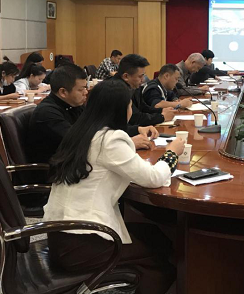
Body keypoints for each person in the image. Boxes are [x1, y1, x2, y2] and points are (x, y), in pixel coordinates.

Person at [44, 79, 184, 294]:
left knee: (156, 235)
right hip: (82, 242)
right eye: (130, 106)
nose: (131, 110)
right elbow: (154, 178)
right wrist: (172, 153)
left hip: (61, 235)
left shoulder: (81, 131)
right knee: (159, 259)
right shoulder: (110, 140)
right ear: (120, 110)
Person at [27, 63, 159, 164]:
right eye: (81, 89)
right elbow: (79, 143)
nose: (86, 92)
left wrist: (137, 129)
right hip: (57, 173)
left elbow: (100, 128)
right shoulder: (47, 114)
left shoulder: (74, 105)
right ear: (63, 92)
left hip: (79, 164)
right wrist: (127, 143)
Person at [113, 54, 175, 126]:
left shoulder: (133, 85)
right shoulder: (115, 90)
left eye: (143, 75)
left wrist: (161, 110)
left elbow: (143, 108)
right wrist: (161, 117)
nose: (142, 80)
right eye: (140, 76)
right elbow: (134, 118)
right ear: (126, 76)